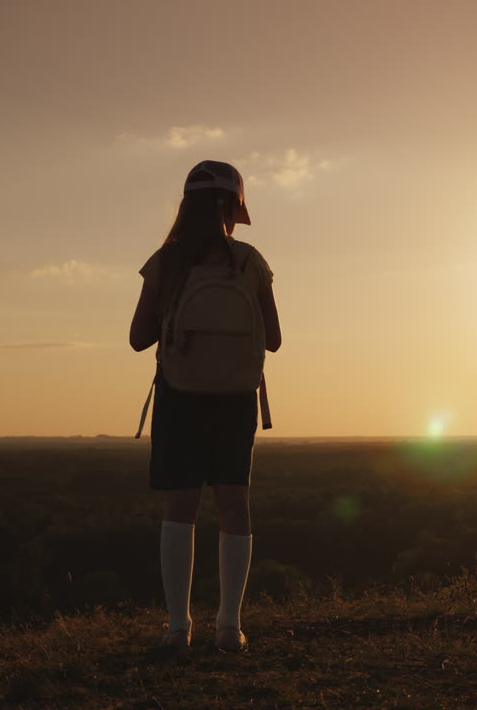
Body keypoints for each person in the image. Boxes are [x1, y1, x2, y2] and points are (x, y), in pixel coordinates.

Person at [129, 160, 282, 653]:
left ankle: (179, 628)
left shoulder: (168, 260)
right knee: (234, 504)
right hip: (236, 396)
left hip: (180, 394)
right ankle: (228, 627)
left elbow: (137, 339)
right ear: (235, 206)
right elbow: (274, 340)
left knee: (181, 507)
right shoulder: (250, 261)